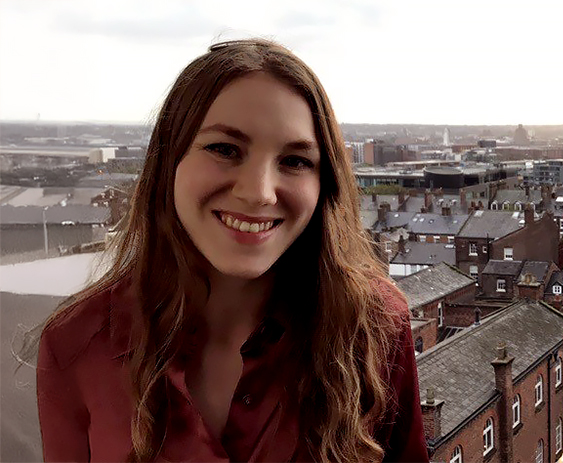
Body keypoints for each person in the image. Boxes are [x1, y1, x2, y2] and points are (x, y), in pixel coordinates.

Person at [36, 39, 429, 462]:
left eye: (295, 161)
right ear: (169, 161)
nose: (259, 193)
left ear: (324, 183)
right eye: (224, 149)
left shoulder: (374, 328)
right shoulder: (75, 345)